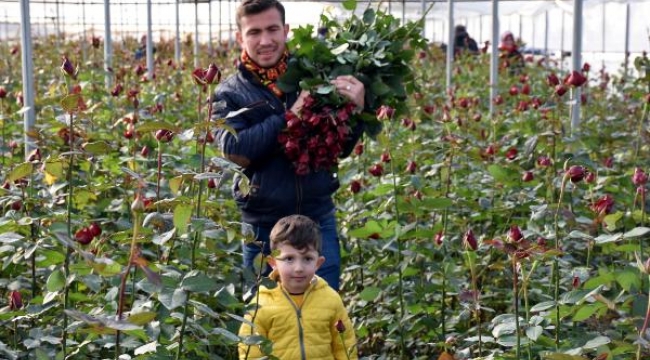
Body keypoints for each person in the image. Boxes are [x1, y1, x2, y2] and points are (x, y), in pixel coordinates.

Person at [212, 0, 366, 292]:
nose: (265, 40)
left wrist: (356, 111)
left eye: (272, 29)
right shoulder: (229, 93)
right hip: (263, 226)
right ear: (239, 38)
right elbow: (235, 151)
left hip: (316, 218)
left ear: (286, 31)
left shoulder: (314, 77)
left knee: (322, 314)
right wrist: (292, 114)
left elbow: (339, 147)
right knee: (265, 322)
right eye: (254, 32)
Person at [238, 214, 358, 359]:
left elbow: (345, 346)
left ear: (318, 263)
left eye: (307, 259)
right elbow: (250, 351)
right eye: (289, 259)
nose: (298, 268)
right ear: (272, 262)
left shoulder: (330, 300)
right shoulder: (260, 304)